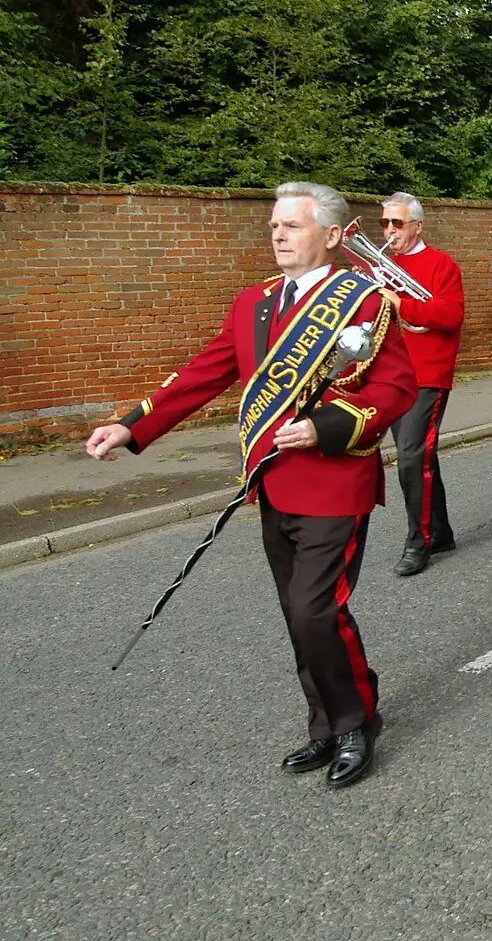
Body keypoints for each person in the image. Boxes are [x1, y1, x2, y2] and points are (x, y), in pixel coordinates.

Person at [84, 182, 417, 789]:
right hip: (273, 481)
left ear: (335, 236)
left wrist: (324, 427)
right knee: (298, 614)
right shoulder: (254, 303)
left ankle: (355, 720)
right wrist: (130, 426)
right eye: (274, 226)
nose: (278, 235)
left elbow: (395, 390)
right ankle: (323, 724)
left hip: (335, 481)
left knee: (318, 608)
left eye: (292, 225)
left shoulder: (366, 302)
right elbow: (203, 372)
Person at [380, 192, 465, 578]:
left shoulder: (441, 264)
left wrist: (400, 304)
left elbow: (450, 315)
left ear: (418, 225)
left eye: (397, 223)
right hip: (393, 374)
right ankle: (441, 531)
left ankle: (418, 541)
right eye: (385, 223)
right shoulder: (381, 266)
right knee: (420, 456)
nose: (389, 231)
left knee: (411, 456)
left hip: (428, 374)